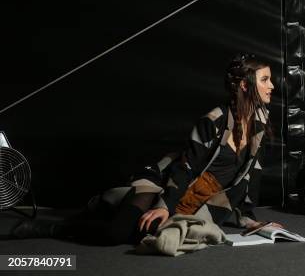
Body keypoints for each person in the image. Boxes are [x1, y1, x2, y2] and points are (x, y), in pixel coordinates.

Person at [12, 53, 277, 244]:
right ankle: (56, 228)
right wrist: (164, 206)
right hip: (164, 185)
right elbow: (185, 167)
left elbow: (251, 175)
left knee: (148, 235)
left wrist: (250, 220)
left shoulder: (260, 125)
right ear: (245, 85)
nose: (272, 86)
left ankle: (112, 210)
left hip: (199, 199)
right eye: (265, 79)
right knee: (119, 234)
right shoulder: (214, 121)